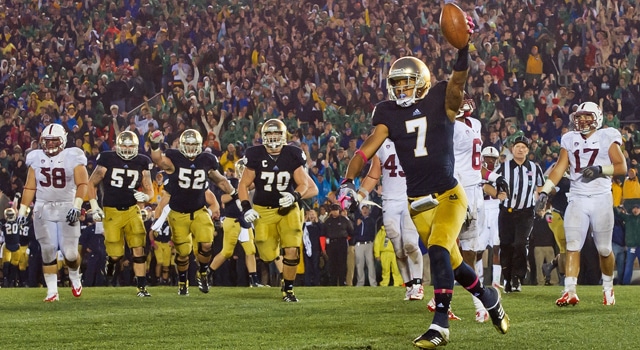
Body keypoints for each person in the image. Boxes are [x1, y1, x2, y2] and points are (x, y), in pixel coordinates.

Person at [339, 38, 509, 349]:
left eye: (407, 84)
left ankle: (439, 325)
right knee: (454, 265)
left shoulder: (440, 99)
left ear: (422, 84)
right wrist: (346, 182)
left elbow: (459, 79)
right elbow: (366, 150)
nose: (401, 90)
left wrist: (462, 49)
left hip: (449, 195)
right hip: (416, 202)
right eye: (397, 84)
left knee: (440, 250)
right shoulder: (386, 112)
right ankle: (489, 297)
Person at [535, 101, 627, 306]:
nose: (582, 120)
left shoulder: (607, 136)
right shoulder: (569, 138)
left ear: (598, 117)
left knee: (603, 249)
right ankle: (569, 291)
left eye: (587, 116)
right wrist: (544, 191)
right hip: (577, 196)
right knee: (573, 245)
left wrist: (600, 170)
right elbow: (559, 168)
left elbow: (621, 166)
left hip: (601, 197)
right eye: (579, 117)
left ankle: (608, 287)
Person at [148, 128, 233, 295]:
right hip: (178, 213)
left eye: (194, 145)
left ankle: (202, 271)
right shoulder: (174, 159)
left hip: (199, 210)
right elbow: (158, 159)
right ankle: (182, 281)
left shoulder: (206, 160)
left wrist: (234, 194)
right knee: (183, 253)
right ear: (181, 145)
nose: (191, 148)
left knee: (207, 244)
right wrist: (154, 144)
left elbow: (218, 184)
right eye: (188, 144)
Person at [238, 119, 310, 302]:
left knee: (292, 248)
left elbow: (304, 183)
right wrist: (246, 208)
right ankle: (278, 255)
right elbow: (243, 185)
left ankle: (289, 290)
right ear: (263, 137)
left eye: (275, 134)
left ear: (283, 136)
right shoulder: (255, 154)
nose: (272, 138)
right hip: (263, 209)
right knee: (267, 253)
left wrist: (295, 196)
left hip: (288, 207)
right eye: (268, 135)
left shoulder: (293, 154)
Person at [17, 123, 88, 302]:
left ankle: (74, 275)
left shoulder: (73, 156)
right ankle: (52, 291)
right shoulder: (35, 157)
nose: (49, 145)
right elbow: (30, 186)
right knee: (47, 250)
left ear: (62, 140)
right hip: (43, 207)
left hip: (67, 206)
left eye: (53, 141)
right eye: (46, 141)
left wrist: (77, 205)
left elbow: (83, 184)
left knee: (70, 253)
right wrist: (22, 210)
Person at [87, 130, 155, 297]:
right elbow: (91, 183)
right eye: (123, 146)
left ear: (136, 147)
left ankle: (142, 288)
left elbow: (150, 190)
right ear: (117, 146)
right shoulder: (107, 158)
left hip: (133, 210)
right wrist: (95, 206)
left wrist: (146, 196)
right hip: (111, 210)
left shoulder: (142, 161)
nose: (126, 149)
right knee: (116, 254)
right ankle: (111, 261)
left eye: (130, 146)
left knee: (138, 247)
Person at [358, 139, 425, 300]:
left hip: (411, 197)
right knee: (398, 248)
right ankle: (409, 285)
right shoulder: (381, 143)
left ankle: (418, 284)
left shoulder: (414, 136)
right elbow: (374, 174)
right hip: (389, 200)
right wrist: (360, 195)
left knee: (410, 243)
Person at [494, 135, 544, 292]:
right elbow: (487, 184)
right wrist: (497, 194)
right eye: (518, 147)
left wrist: (541, 205)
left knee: (521, 243)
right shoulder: (503, 167)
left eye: (523, 147)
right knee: (506, 245)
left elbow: (541, 188)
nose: (521, 149)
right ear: (512, 150)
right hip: (506, 212)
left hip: (526, 212)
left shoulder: (535, 168)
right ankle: (508, 279)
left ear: (528, 150)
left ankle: (518, 277)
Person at [209, 157, 264, 288]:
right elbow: (223, 199)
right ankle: (207, 273)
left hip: (244, 220)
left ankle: (254, 281)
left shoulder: (252, 183)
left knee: (250, 250)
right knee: (227, 252)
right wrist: (238, 192)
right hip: (231, 220)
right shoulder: (231, 182)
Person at [323, 203, 353, 286]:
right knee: (332, 263)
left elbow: (351, 232)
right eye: (333, 210)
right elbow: (323, 234)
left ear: (339, 210)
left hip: (342, 242)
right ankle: (333, 282)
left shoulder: (344, 220)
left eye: (336, 210)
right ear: (331, 211)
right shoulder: (328, 221)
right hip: (331, 243)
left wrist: (346, 239)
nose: (335, 212)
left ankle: (342, 281)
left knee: (342, 263)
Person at [353, 204, 379, 287]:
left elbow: (376, 209)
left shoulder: (371, 219)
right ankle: (360, 282)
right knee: (359, 264)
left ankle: (373, 283)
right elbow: (353, 231)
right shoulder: (357, 219)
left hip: (369, 243)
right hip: (359, 244)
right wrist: (357, 225)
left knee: (370, 264)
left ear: (369, 211)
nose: (365, 210)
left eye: (366, 209)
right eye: (363, 209)